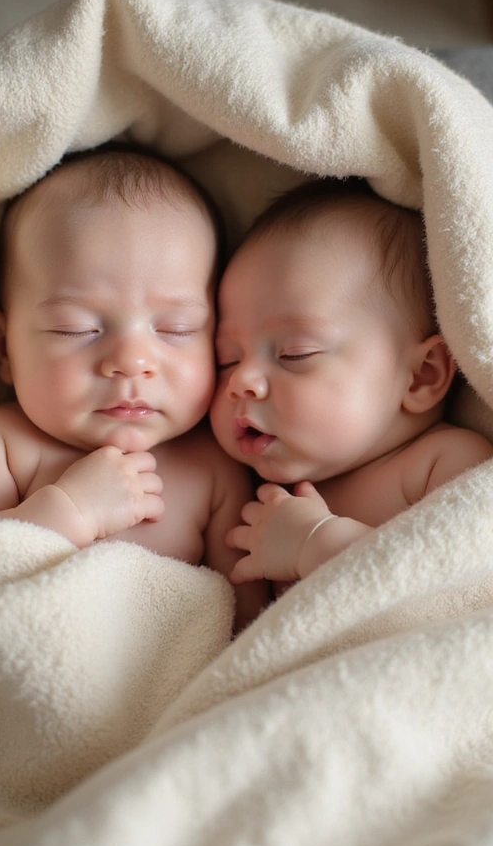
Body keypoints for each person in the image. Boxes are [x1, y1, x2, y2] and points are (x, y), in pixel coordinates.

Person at [0, 145, 267, 631]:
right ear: (5, 348)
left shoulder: (215, 466)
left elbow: (247, 621)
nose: (131, 361)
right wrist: (69, 510)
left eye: (176, 329)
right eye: (76, 328)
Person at [209, 177, 493, 588]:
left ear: (421, 376)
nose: (241, 381)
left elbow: (451, 585)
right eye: (226, 359)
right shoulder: (252, 492)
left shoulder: (445, 463)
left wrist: (317, 544)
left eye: (295, 353)